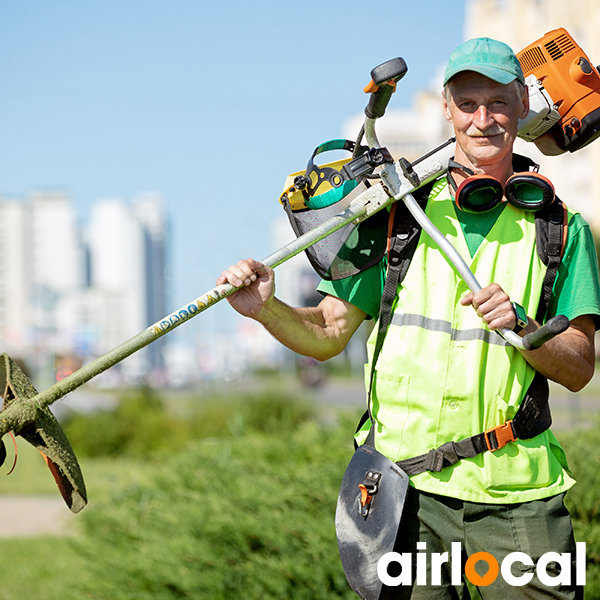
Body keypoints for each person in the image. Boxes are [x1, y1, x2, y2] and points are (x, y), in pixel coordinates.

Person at [217, 37, 600, 599]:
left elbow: (580, 367)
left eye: (498, 102)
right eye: (467, 104)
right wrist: (265, 309)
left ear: (523, 103)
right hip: (404, 499)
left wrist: (521, 327)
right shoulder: (398, 216)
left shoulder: (564, 231)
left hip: (519, 503)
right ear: (446, 109)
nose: (483, 119)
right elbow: (327, 333)